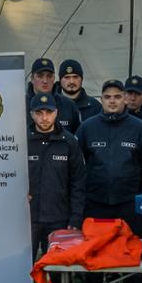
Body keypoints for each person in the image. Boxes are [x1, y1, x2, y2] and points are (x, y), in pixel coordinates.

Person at [73, 80, 142, 283]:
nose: (112, 101)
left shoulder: (139, 128)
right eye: (107, 97)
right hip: (96, 203)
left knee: (132, 251)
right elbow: (79, 165)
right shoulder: (87, 128)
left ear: (125, 99)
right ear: (101, 99)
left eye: (117, 96)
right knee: (94, 251)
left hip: (128, 203)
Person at [26, 92, 88, 257]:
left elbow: (78, 182)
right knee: (24, 265)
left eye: (49, 112)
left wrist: (76, 217)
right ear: (31, 114)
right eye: (39, 112)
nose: (44, 117)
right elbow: (11, 177)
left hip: (59, 219)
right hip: (28, 219)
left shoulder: (69, 142)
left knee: (57, 266)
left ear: (56, 113)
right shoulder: (22, 142)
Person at [28, 57, 81, 133]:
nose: (45, 81)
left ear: (54, 78)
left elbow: (77, 135)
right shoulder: (20, 105)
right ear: (32, 78)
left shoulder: (69, 105)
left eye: (49, 76)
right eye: (40, 76)